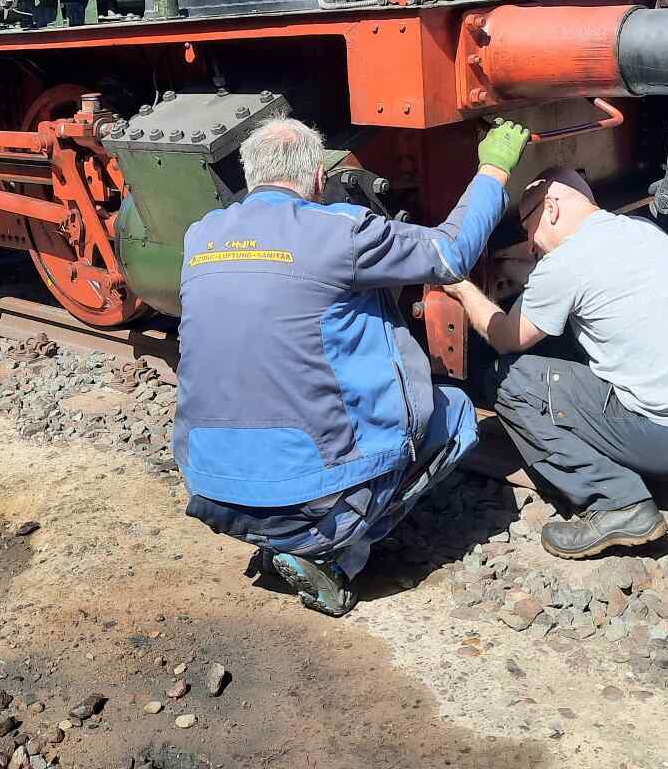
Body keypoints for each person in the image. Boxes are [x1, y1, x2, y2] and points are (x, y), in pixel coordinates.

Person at [173, 115, 530, 616]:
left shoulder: (201, 236)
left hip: (208, 489)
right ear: (319, 177)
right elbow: (448, 255)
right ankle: (334, 554)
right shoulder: (339, 231)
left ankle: (285, 531)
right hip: (308, 502)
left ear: (251, 174)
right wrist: (493, 170)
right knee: (456, 414)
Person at [444, 169, 668, 559]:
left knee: (510, 380)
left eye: (528, 229)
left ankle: (616, 503)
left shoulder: (565, 264)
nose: (531, 245)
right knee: (569, 336)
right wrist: (526, 271)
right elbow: (575, 281)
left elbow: (504, 338)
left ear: (550, 209)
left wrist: (463, 288)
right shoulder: (640, 231)